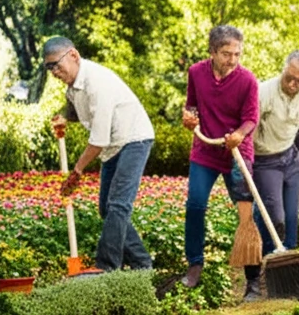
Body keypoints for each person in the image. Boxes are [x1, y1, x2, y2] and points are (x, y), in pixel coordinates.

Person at [44, 37, 154, 272]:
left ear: (73, 55)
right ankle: (142, 264)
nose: (54, 72)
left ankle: (106, 267)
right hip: (114, 145)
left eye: (56, 65)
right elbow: (77, 110)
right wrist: (64, 118)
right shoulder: (74, 87)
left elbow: (98, 140)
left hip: (134, 139)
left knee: (118, 204)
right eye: (49, 68)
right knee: (106, 208)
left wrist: (77, 170)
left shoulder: (97, 82)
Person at [180, 25, 261, 297]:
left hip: (237, 151)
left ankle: (253, 279)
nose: (232, 60)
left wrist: (238, 135)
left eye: (237, 54)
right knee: (195, 204)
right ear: (212, 52)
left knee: (247, 215)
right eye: (227, 54)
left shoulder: (248, 80)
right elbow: (191, 105)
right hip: (205, 150)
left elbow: (251, 118)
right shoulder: (195, 72)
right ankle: (195, 264)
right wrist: (189, 117)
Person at [242, 50, 299, 301]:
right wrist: (246, 168)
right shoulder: (262, 92)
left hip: (290, 160)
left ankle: (284, 281)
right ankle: (256, 278)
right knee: (273, 218)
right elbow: (247, 133)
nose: (293, 84)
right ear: (284, 68)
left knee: (290, 223)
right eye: (290, 77)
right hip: (265, 161)